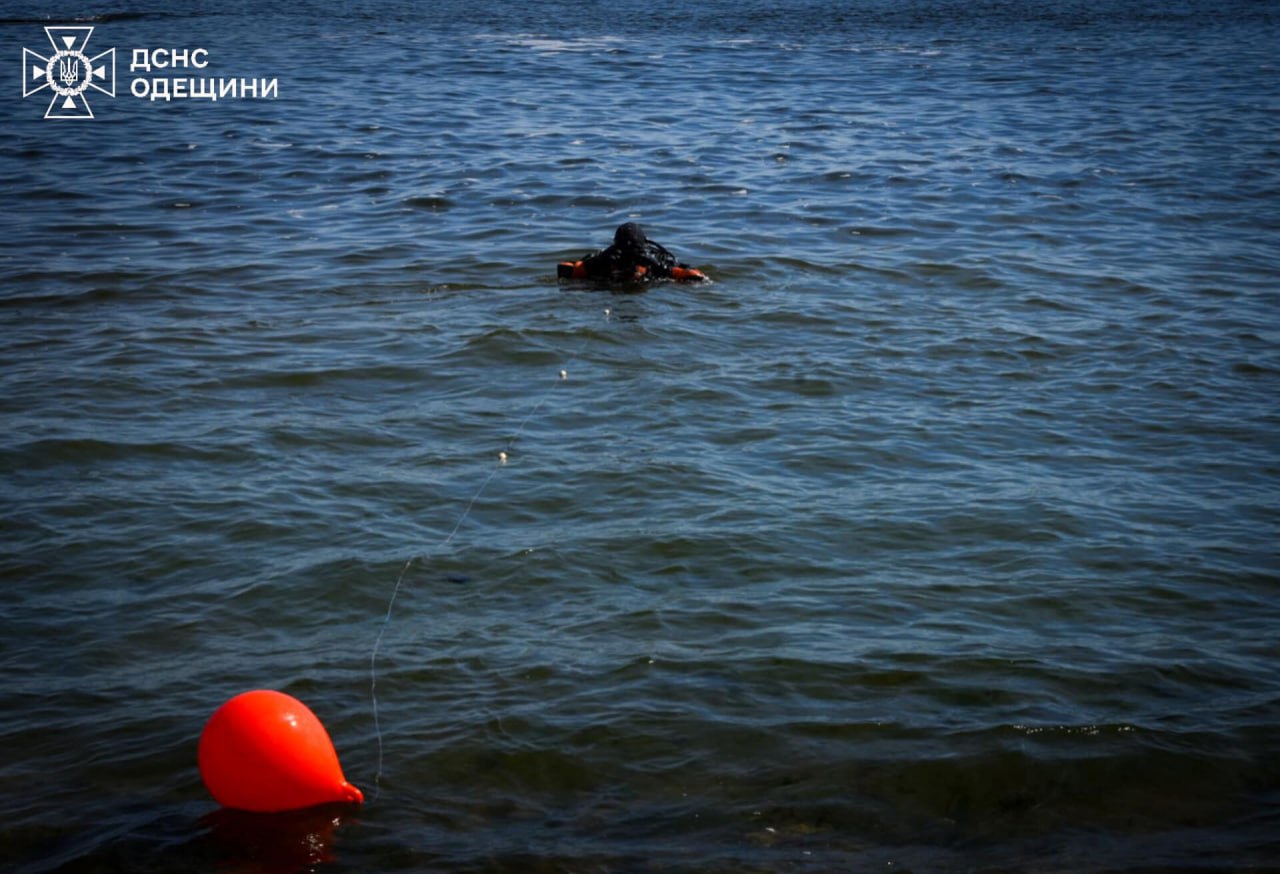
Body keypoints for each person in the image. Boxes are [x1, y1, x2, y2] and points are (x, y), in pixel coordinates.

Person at [558, 223, 707, 283]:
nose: (629, 260)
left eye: (635, 255)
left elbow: (698, 277)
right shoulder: (607, 260)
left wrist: (660, 267)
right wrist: (599, 261)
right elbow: (563, 270)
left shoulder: (655, 261)